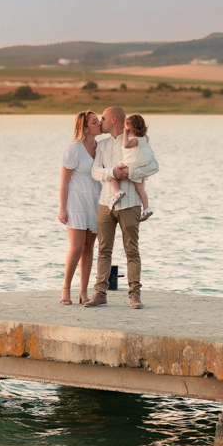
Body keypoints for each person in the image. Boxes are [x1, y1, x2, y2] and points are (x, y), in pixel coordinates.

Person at [85, 106, 145, 309]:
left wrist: (129, 173)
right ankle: (100, 294)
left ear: (113, 120)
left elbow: (150, 167)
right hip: (105, 203)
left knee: (132, 250)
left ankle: (135, 296)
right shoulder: (102, 145)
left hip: (130, 203)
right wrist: (112, 173)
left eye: (102, 118)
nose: (100, 121)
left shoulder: (136, 142)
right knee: (103, 250)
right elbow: (95, 172)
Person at [58, 110, 101, 305]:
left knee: (88, 247)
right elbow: (64, 181)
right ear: (85, 127)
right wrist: (62, 208)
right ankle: (65, 289)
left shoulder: (101, 147)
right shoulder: (73, 149)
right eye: (94, 122)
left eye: (98, 120)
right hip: (76, 201)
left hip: (96, 200)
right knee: (76, 246)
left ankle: (84, 292)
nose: (99, 124)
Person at [107, 114, 156, 221]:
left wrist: (125, 133)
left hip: (131, 164)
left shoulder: (135, 140)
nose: (124, 129)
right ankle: (146, 208)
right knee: (141, 190)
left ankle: (118, 191)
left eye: (126, 127)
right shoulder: (145, 138)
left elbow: (126, 145)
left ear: (131, 128)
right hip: (139, 166)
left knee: (112, 173)